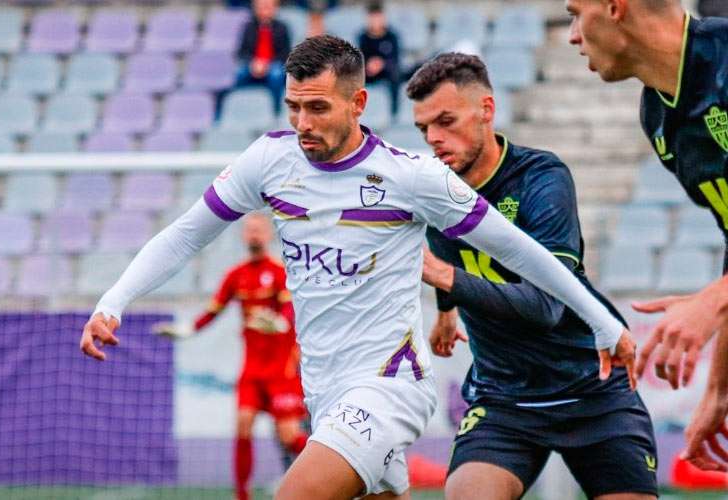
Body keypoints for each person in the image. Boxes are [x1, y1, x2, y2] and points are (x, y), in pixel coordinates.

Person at [80, 35, 636, 500]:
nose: (303, 123)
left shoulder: (412, 177)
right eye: (294, 107)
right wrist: (113, 300)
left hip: (389, 385)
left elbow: (522, 252)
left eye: (318, 107)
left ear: (358, 103)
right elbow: (185, 233)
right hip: (324, 387)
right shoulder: (269, 162)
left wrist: (604, 323)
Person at [407, 52, 657, 500]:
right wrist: (446, 314)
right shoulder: (436, 191)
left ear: (486, 109)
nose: (435, 139)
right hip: (504, 400)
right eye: (424, 129)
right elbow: (449, 252)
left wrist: (444, 279)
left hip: (593, 390)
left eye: (446, 121)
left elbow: (545, 307)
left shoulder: (541, 179)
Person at [566, 0, 728, 471]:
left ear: (616, 7)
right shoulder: (658, 116)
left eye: (576, 13)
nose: (573, 35)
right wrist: (718, 390)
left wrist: (712, 302)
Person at [155, 212, 306, 500]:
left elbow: (288, 311)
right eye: (249, 230)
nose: (254, 235)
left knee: (289, 437)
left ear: (270, 235)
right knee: (243, 425)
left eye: (259, 230)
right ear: (242, 235)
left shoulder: (279, 273)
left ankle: (340, 466)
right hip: (251, 371)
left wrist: (281, 323)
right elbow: (213, 311)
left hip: (281, 371)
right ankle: (242, 494)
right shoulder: (236, 276)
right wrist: (185, 331)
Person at [236, 0, 291, 115]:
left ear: (274, 9)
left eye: (267, 7)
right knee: (239, 74)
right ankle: (242, 107)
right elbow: (242, 52)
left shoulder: (282, 28)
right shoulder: (248, 27)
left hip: (273, 63)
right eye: (260, 7)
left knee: (276, 75)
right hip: (253, 64)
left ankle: (275, 109)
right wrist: (253, 63)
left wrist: (267, 64)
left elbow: (285, 53)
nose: (264, 11)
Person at [358, 1, 401, 116]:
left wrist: (382, 64)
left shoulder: (392, 36)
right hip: (368, 73)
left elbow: (395, 59)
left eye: (378, 17)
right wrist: (369, 65)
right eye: (373, 18)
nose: (376, 21)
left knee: (395, 75)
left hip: (386, 72)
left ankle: (394, 113)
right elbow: (360, 57)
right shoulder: (362, 37)